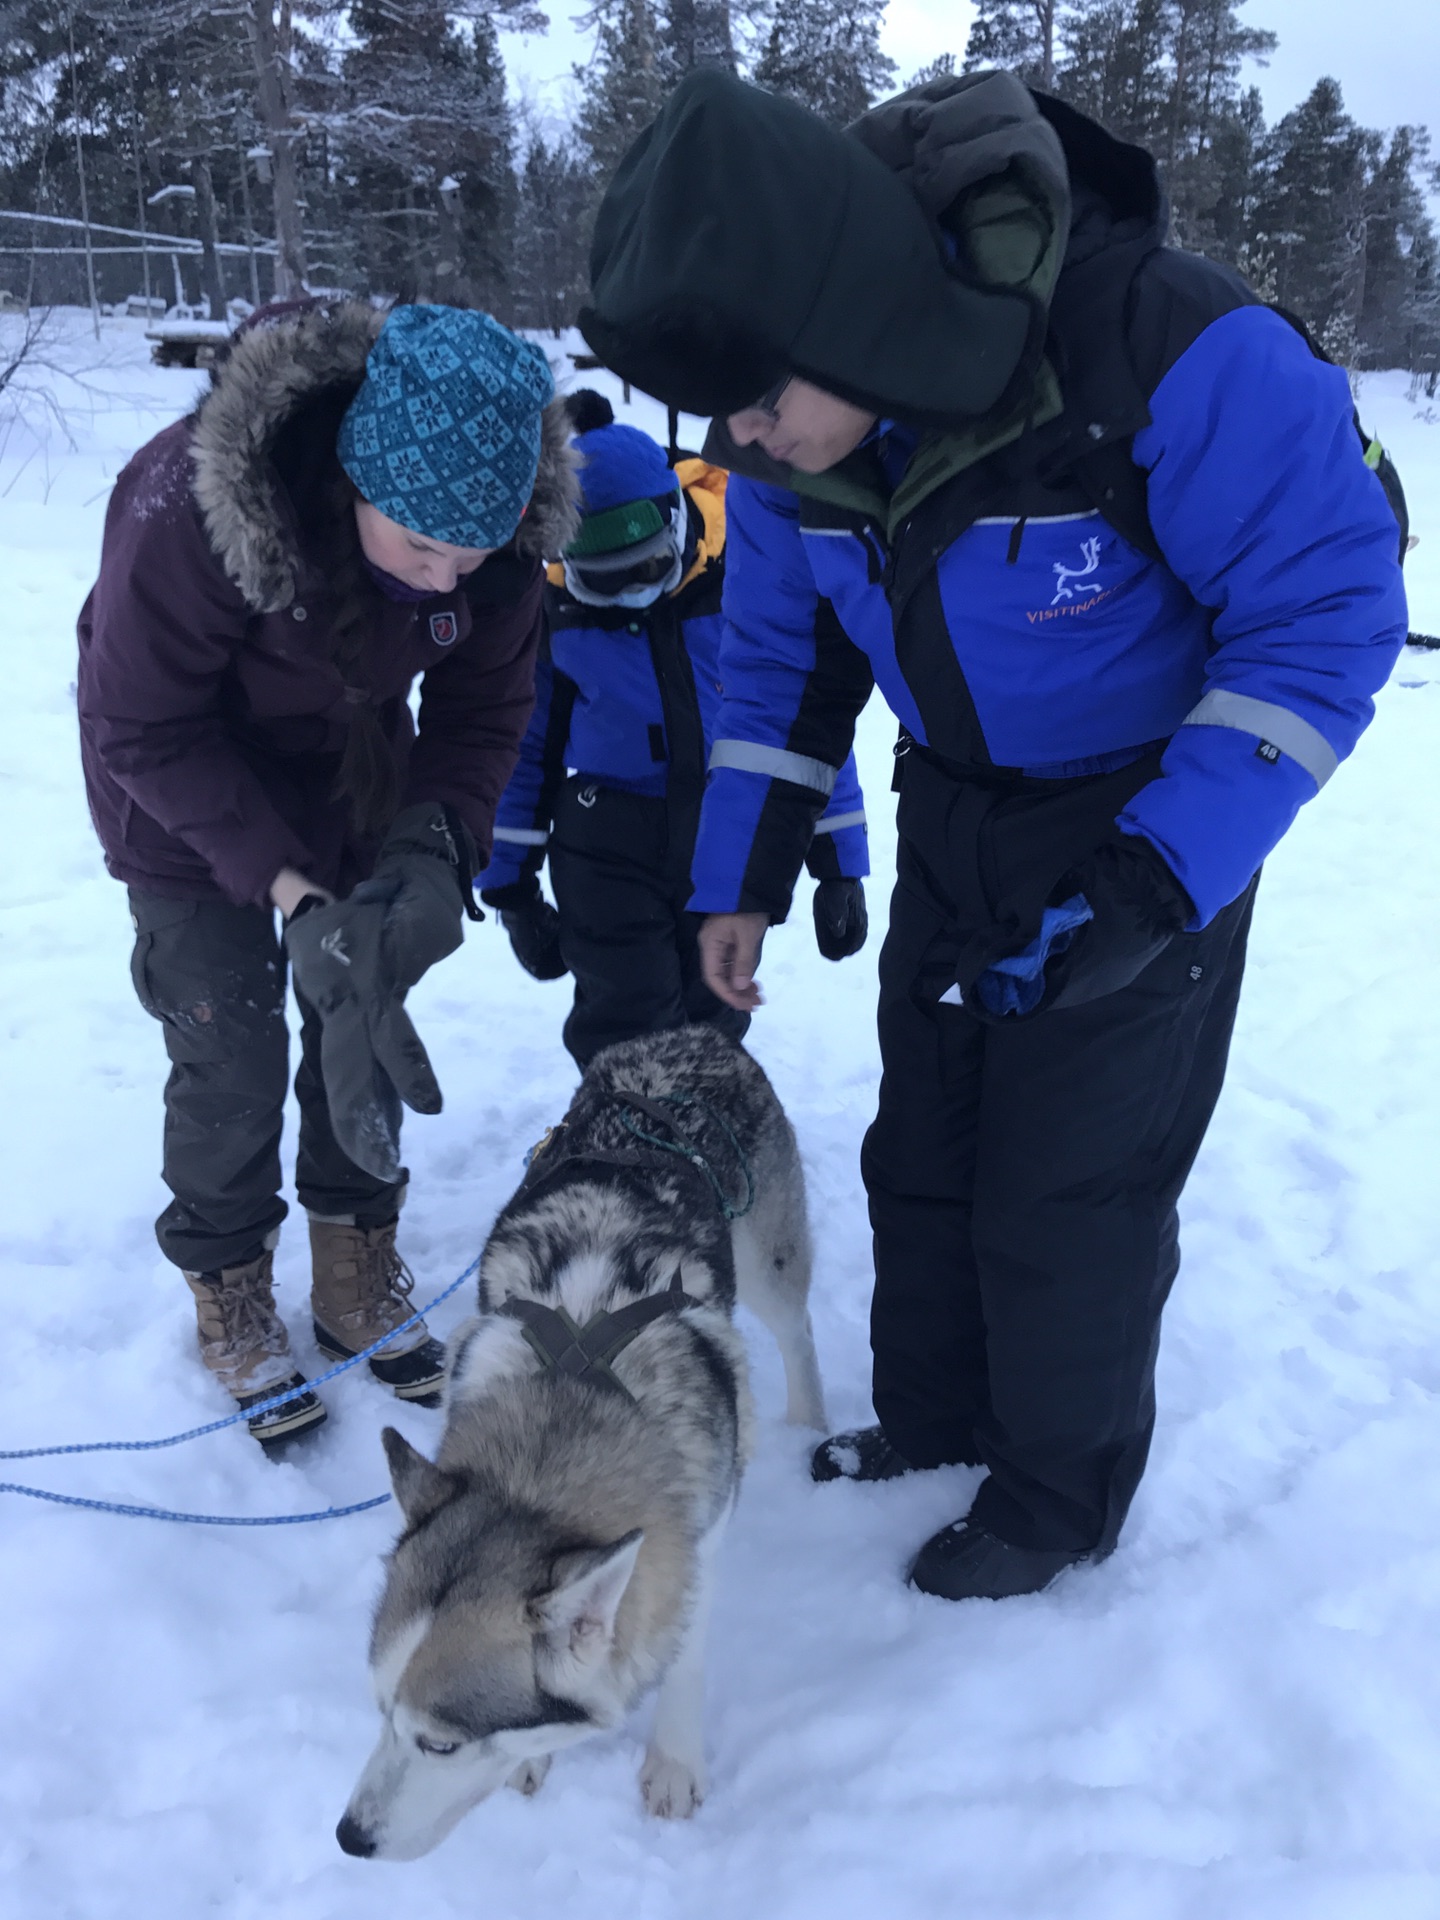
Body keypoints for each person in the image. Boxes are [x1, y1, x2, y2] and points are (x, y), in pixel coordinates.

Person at [579, 70, 1410, 1598]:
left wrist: (1158, 878)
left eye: (760, 401)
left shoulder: (1169, 347)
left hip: (1148, 821)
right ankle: (940, 1422)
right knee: (929, 1153)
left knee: (1068, 1190)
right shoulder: (789, 449)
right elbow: (777, 663)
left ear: (844, 316)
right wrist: (741, 878)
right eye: (724, 417)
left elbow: (1321, 623)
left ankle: (1051, 1501)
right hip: (954, 810)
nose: (745, 443)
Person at [77, 300, 578, 1447]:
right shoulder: (196, 509)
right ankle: (231, 1284)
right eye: (419, 546)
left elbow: (485, 705)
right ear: (353, 478)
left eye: (473, 553)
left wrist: (434, 850)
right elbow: (140, 721)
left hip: (349, 770)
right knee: (232, 1045)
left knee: (363, 1011)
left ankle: (356, 1257)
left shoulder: (487, 557)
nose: (448, 579)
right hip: (181, 787)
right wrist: (288, 891)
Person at [476, 397, 870, 1067]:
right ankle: (626, 1148)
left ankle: (705, 1146)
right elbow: (526, 749)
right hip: (605, 846)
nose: (630, 595)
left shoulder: (740, 589)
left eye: (647, 571)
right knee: (629, 1018)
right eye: (603, 585)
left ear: (679, 528)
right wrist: (510, 886)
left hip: (727, 835)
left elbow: (798, 727)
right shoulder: (557, 619)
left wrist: (839, 864)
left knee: (714, 1001)